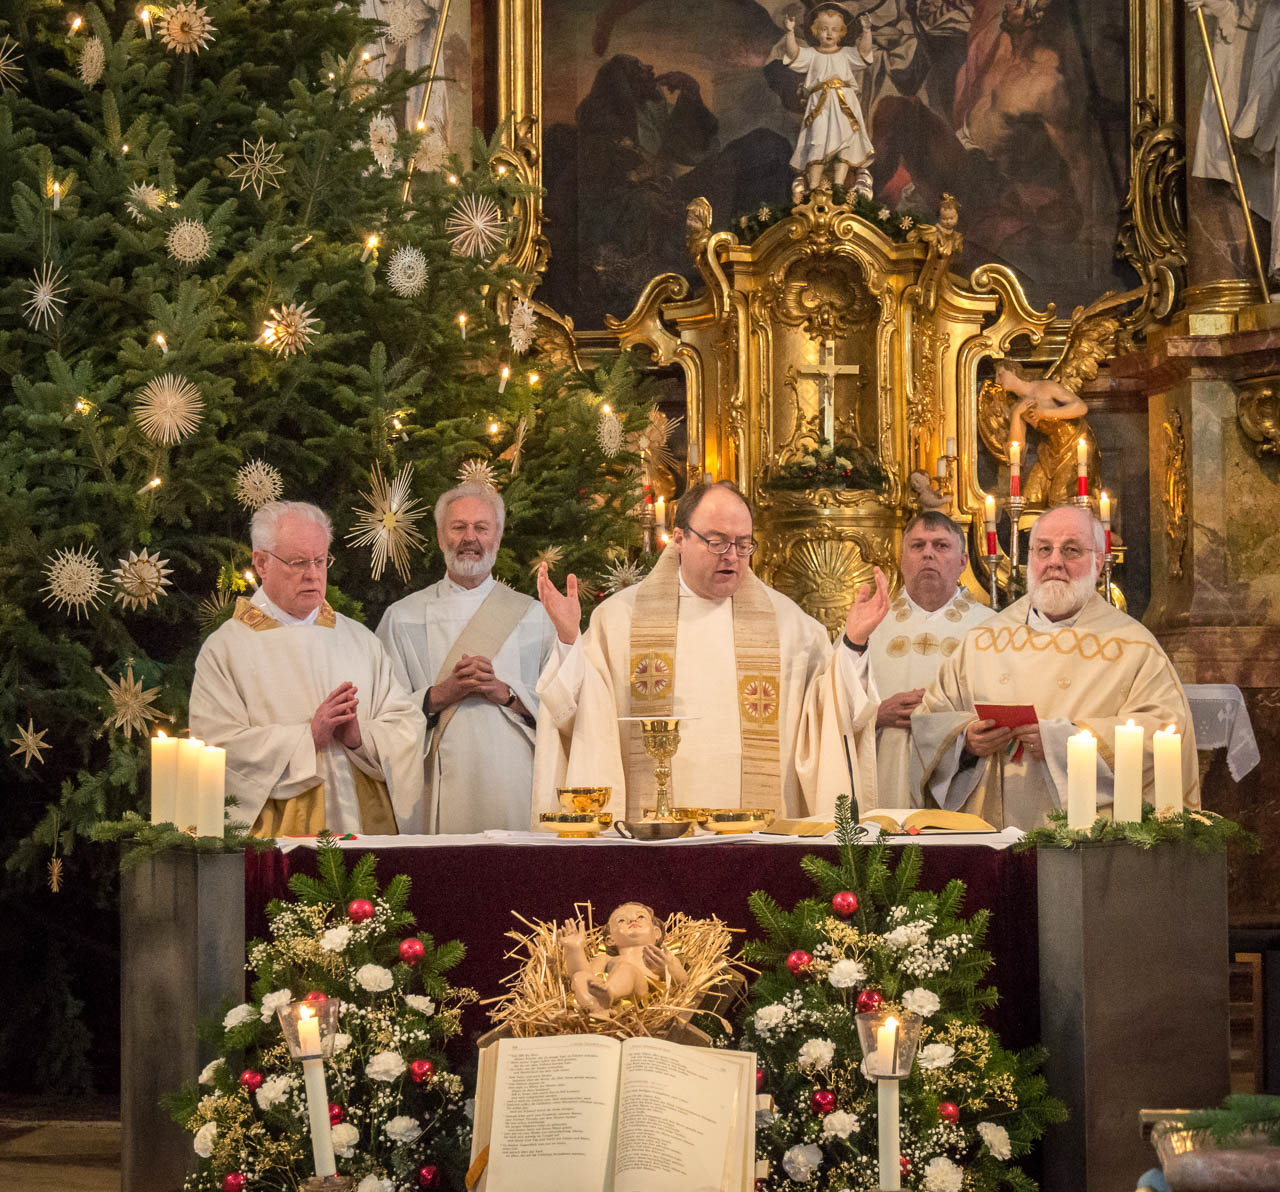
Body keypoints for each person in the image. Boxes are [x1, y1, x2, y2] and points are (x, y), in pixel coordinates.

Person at [532, 480, 888, 823]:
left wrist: (853, 643)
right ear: (680, 539)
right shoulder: (619, 620)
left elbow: (829, 716)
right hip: (651, 841)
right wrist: (568, 640)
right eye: (717, 542)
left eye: (743, 544)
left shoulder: (792, 628)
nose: (731, 556)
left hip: (760, 840)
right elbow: (577, 712)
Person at [911, 504, 1200, 829]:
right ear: (1030, 558)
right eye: (1043, 549)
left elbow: (1165, 730)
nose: (1054, 562)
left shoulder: (1133, 646)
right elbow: (930, 719)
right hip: (992, 833)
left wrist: (1066, 740)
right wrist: (965, 741)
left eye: (1071, 550)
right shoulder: (983, 640)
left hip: (1089, 839)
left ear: (1098, 562)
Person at [190, 501, 426, 836]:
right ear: (261, 563)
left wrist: (361, 738)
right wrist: (307, 738)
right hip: (278, 828)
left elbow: (406, 725)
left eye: (320, 560)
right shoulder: (227, 648)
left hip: (363, 824)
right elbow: (215, 747)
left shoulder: (359, 640)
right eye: (299, 562)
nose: (313, 574)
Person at [375, 483, 557, 833]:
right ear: (441, 537)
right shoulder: (403, 617)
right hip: (435, 783)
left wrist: (507, 694)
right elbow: (382, 717)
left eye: (481, 528)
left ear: (497, 538)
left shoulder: (534, 616)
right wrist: (442, 694)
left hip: (515, 782)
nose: (469, 538)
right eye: (458, 527)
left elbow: (565, 709)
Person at [864, 512, 993, 806]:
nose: (928, 554)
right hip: (881, 780)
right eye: (918, 545)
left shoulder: (991, 630)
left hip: (961, 786)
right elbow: (828, 707)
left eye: (941, 546)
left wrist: (960, 732)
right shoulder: (867, 627)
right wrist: (875, 714)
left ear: (962, 562)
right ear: (902, 558)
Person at [784, 4, 876, 197]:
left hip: (844, 104)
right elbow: (794, 54)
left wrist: (867, 32)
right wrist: (790, 32)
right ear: (816, 31)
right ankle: (814, 188)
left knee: (844, 142)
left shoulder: (846, 53)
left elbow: (864, 54)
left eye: (834, 30)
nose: (829, 34)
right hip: (819, 105)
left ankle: (839, 186)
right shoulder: (812, 54)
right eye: (824, 29)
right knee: (816, 141)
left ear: (841, 32)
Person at [561, 901, 687, 1017]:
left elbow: (684, 982)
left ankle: (609, 993)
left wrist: (666, 968)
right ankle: (597, 1009)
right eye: (621, 920)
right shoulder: (605, 959)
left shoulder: (663, 955)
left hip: (641, 996)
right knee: (579, 977)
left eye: (640, 917)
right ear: (610, 940)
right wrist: (575, 949)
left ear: (656, 933)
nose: (632, 920)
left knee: (626, 968)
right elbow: (588, 977)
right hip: (604, 994)